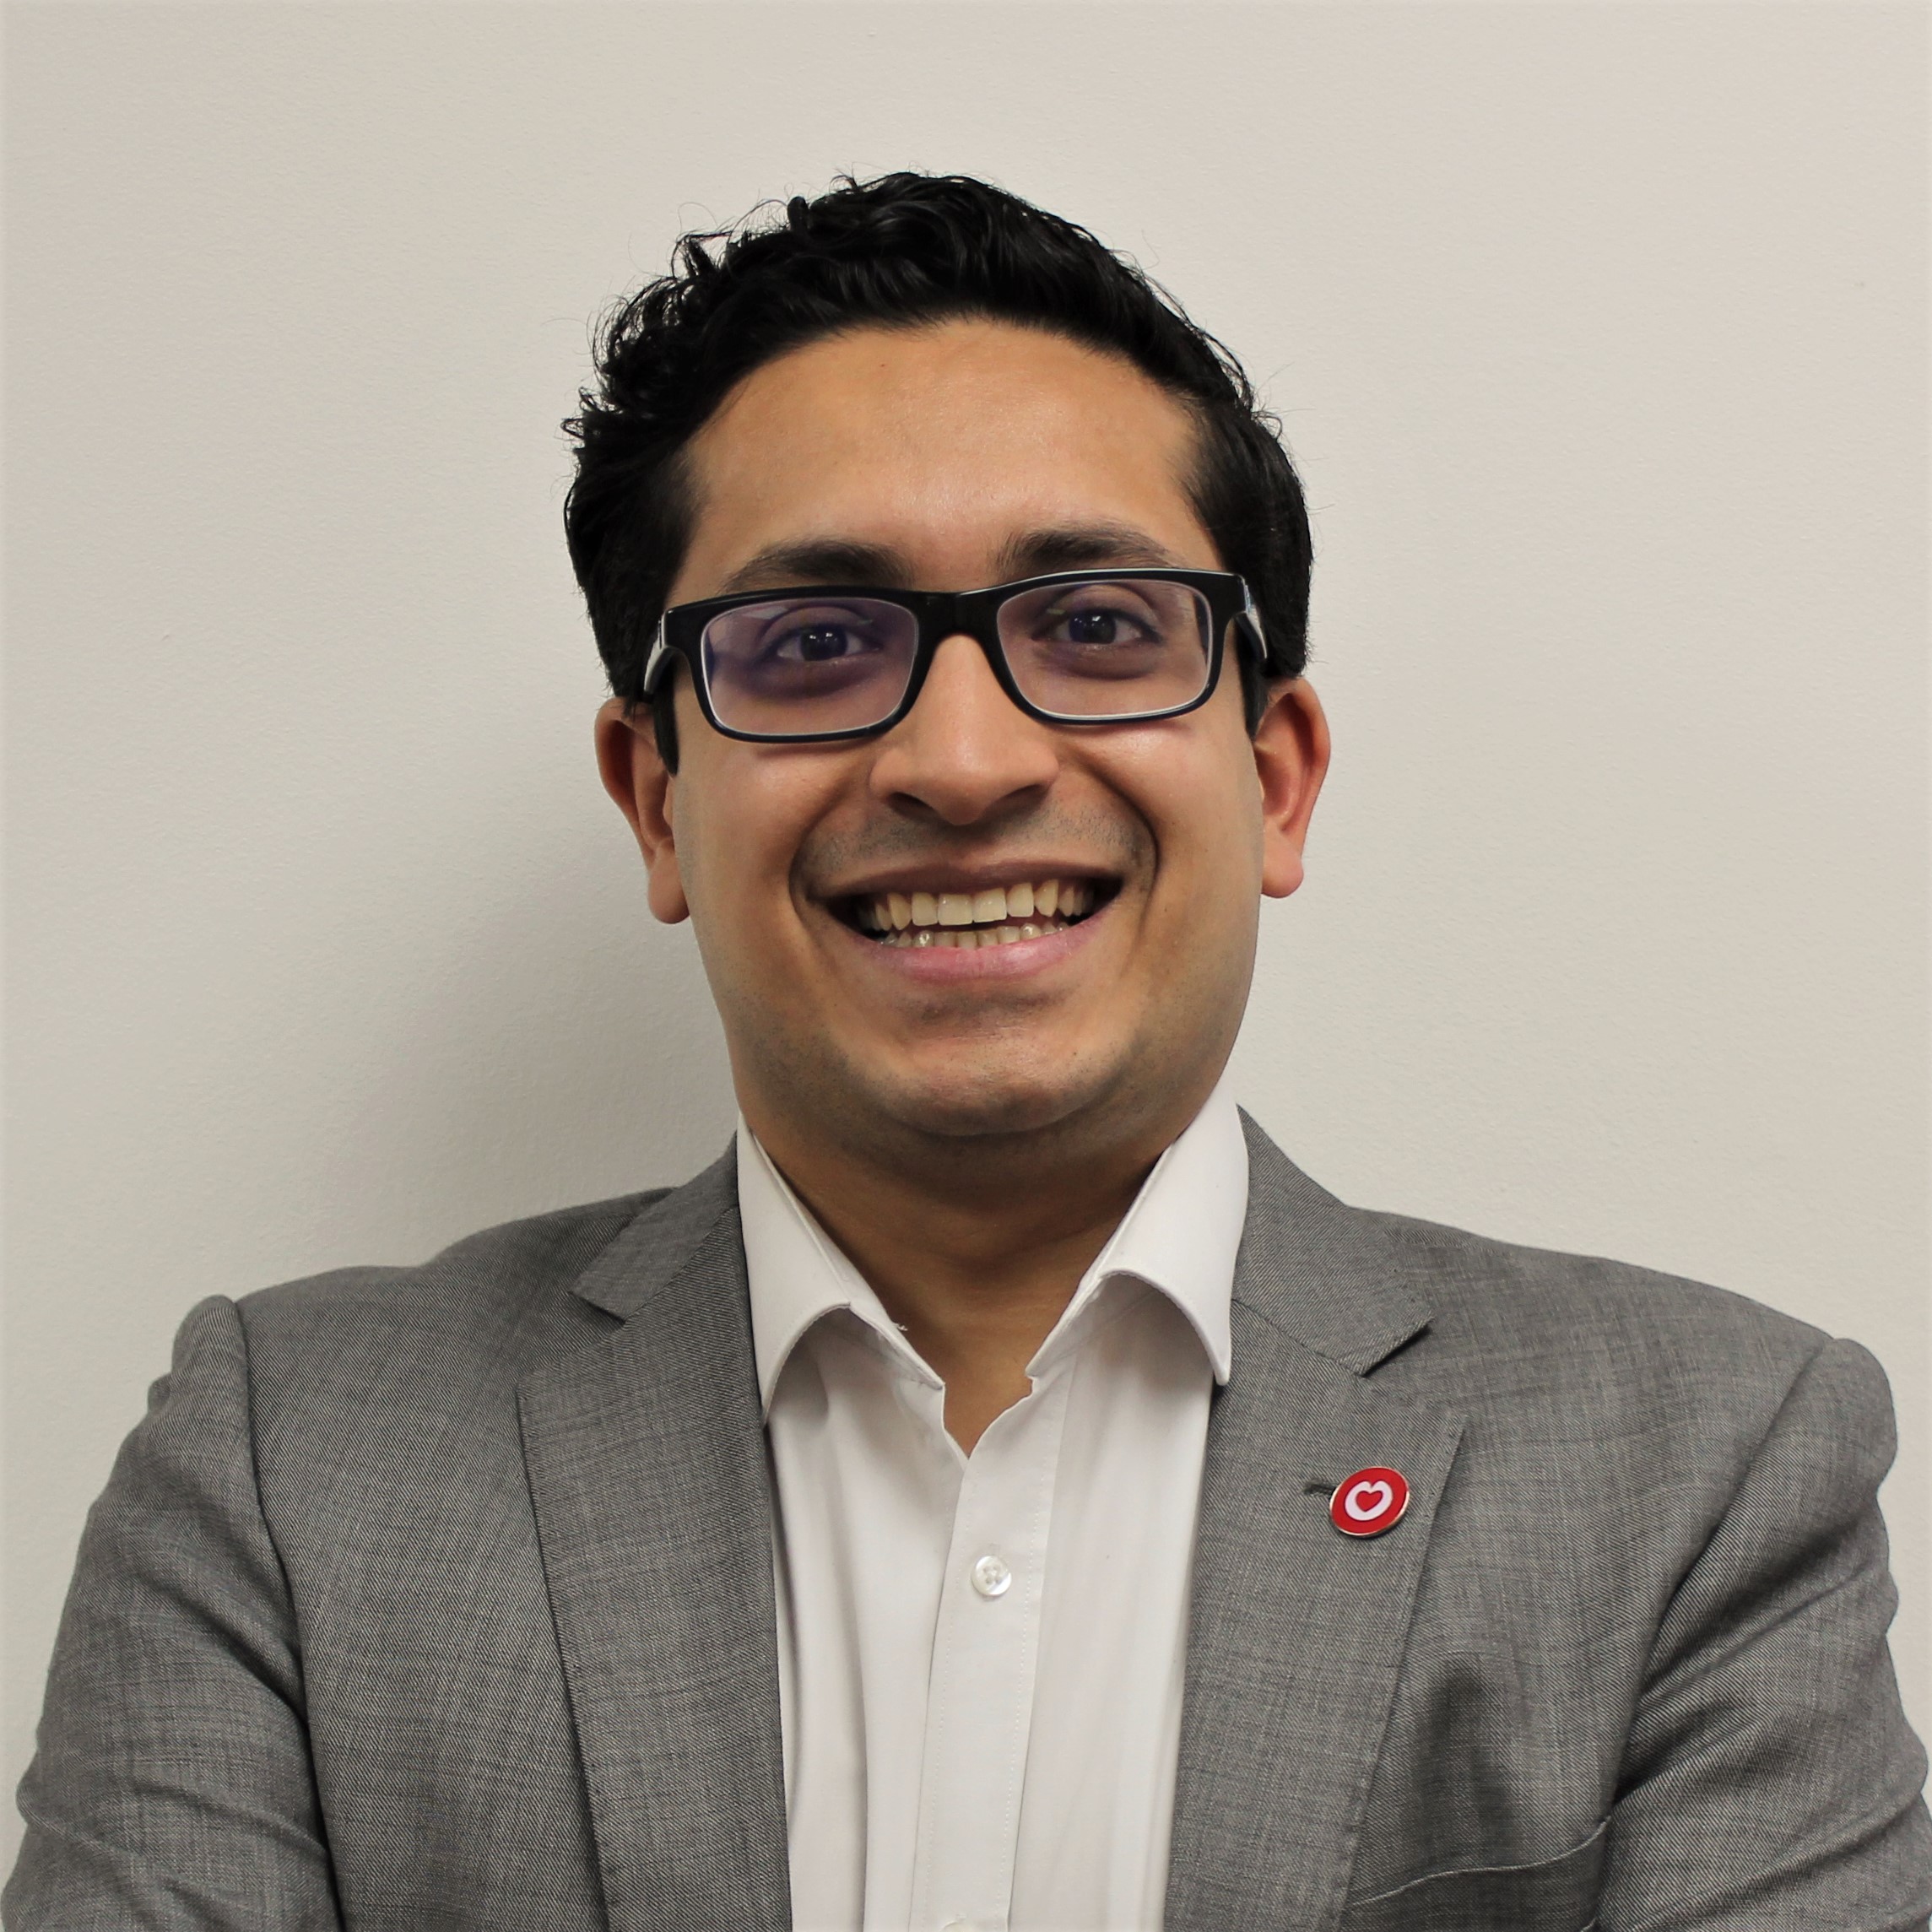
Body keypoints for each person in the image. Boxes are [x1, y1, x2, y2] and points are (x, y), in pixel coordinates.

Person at [7, 171, 1927, 1932]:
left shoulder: (1700, 1466)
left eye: (1094, 622)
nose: (961, 758)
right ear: (656, 800)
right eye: (811, 642)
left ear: (1272, 776)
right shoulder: (286, 1464)